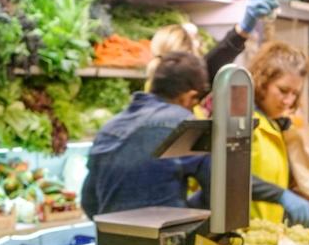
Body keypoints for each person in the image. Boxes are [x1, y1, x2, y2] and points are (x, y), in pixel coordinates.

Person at [80, 52, 211, 218]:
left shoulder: (109, 127)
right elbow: (220, 191)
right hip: (165, 240)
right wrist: (186, 211)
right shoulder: (185, 124)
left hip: (110, 241)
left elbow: (89, 203)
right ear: (190, 97)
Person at [144, 0, 279, 91]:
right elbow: (215, 61)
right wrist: (244, 28)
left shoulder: (153, 90)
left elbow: (217, 58)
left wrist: (244, 28)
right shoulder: (180, 91)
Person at [248, 41, 309, 227]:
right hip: (238, 238)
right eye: (283, 90)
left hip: (267, 234)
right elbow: (224, 177)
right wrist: (281, 196)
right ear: (262, 82)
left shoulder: (276, 126)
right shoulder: (242, 122)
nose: (288, 100)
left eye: (295, 93)